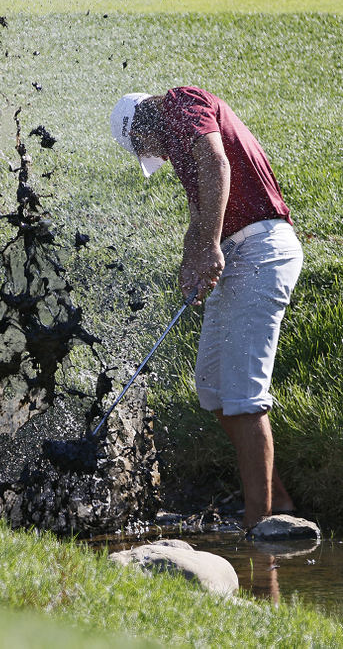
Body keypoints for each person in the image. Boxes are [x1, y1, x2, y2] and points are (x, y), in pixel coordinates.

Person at [110, 87, 303, 530]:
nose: (152, 153)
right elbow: (201, 211)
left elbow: (219, 164)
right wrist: (190, 257)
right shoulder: (178, 142)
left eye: (146, 147)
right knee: (212, 387)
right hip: (239, 254)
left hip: (260, 251)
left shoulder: (180, 103)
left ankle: (261, 525)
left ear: (143, 123)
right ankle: (279, 502)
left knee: (243, 396)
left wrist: (210, 246)